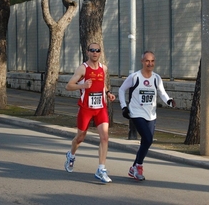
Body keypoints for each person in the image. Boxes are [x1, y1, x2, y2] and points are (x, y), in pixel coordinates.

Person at [118, 51, 176, 181]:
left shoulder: (156, 78)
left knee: (146, 142)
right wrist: (123, 107)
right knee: (148, 139)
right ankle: (139, 166)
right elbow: (121, 90)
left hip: (151, 114)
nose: (150, 64)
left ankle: (133, 167)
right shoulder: (135, 77)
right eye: (147, 61)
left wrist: (169, 101)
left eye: (152, 61)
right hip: (136, 113)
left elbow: (162, 93)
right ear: (142, 61)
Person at [64, 43, 116, 183]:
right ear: (87, 52)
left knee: (104, 137)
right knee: (80, 137)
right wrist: (82, 85)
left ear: (100, 52)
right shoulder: (82, 68)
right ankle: (71, 154)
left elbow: (102, 83)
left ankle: (101, 169)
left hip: (100, 108)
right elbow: (68, 86)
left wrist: (108, 93)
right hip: (86, 108)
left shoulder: (103, 68)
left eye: (97, 50)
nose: (95, 53)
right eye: (92, 50)